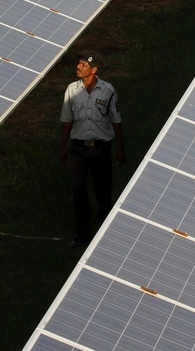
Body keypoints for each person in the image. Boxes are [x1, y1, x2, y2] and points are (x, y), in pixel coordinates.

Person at [59, 50, 124, 248]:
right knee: (78, 191)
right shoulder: (71, 90)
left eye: (83, 65)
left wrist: (120, 149)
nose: (78, 67)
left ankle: (104, 230)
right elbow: (67, 120)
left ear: (94, 69)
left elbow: (116, 120)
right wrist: (63, 147)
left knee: (103, 189)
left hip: (101, 149)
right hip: (78, 149)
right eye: (78, 64)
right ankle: (82, 234)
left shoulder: (108, 91)